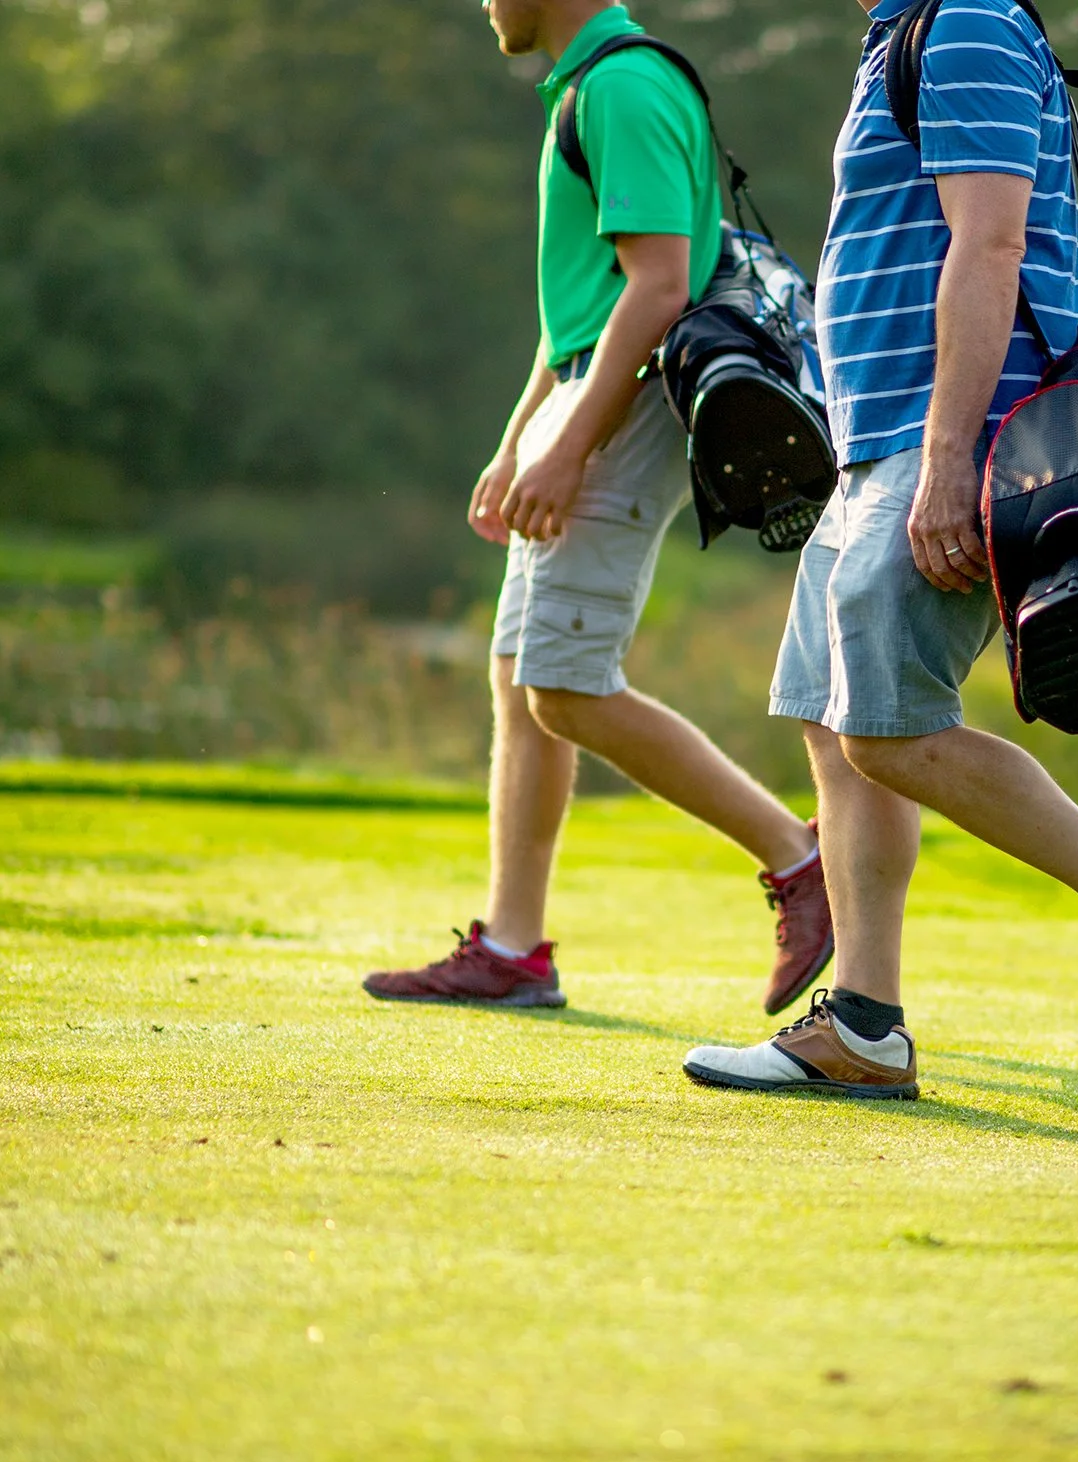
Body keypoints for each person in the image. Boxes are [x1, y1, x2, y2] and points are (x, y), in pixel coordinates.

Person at [679, 0, 1078, 1103]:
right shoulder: (902, 31)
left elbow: (989, 248)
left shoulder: (969, 22)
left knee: (889, 732)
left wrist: (945, 464)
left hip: (952, 441)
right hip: (874, 445)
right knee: (835, 731)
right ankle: (866, 1025)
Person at [365, 0, 833, 1016]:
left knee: (567, 688)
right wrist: (519, 439)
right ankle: (514, 948)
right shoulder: (589, 86)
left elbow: (659, 288)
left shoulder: (622, 85)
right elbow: (582, 301)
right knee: (519, 675)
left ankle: (800, 860)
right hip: (587, 394)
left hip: (624, 407)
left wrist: (572, 446)